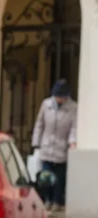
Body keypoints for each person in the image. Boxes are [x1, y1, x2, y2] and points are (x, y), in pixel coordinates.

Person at [31, 78, 77, 211]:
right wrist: (36, 143)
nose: (59, 99)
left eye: (62, 97)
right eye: (57, 96)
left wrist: (72, 141)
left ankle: (57, 201)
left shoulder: (73, 108)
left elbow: (74, 127)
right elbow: (39, 124)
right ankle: (47, 200)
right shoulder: (46, 105)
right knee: (45, 177)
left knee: (58, 179)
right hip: (46, 147)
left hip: (61, 148)